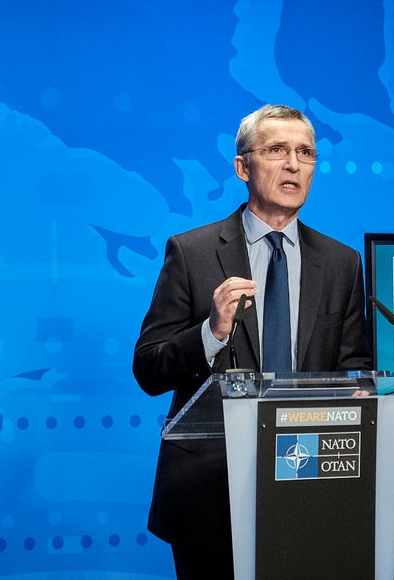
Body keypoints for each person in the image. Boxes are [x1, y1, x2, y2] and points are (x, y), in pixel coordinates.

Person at [132, 104, 372, 578]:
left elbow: (355, 371)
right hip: (210, 494)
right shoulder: (192, 253)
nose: (294, 164)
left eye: (305, 152)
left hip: (309, 484)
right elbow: (148, 369)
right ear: (243, 167)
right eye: (277, 150)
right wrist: (211, 332)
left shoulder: (341, 264)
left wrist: (363, 398)